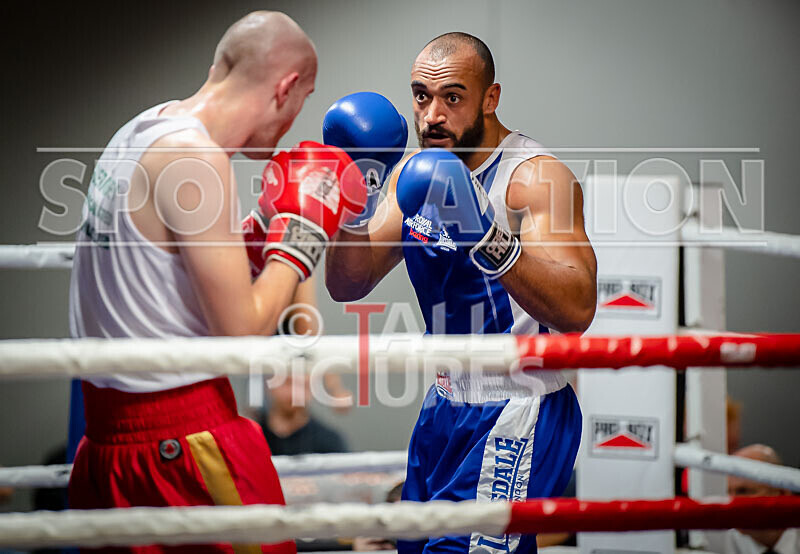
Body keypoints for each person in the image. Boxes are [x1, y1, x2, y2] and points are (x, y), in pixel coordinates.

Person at [68, 11, 365, 553]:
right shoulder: (197, 159)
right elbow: (243, 337)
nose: (298, 117)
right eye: (306, 98)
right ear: (286, 87)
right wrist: (300, 237)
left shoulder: (137, 131)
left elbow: (161, 281)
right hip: (181, 442)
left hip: (105, 452)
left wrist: (254, 240)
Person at [324, 32, 596, 553]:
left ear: (489, 99)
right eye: (421, 97)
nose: (432, 116)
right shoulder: (413, 175)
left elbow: (578, 306)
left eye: (452, 97)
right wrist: (355, 192)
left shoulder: (534, 178)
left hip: (521, 407)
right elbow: (347, 284)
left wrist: (487, 238)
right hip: (445, 403)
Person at [717, 444, 798, 554]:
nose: (732, 502)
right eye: (729, 493)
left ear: (781, 493)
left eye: (743, 491)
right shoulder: (726, 539)